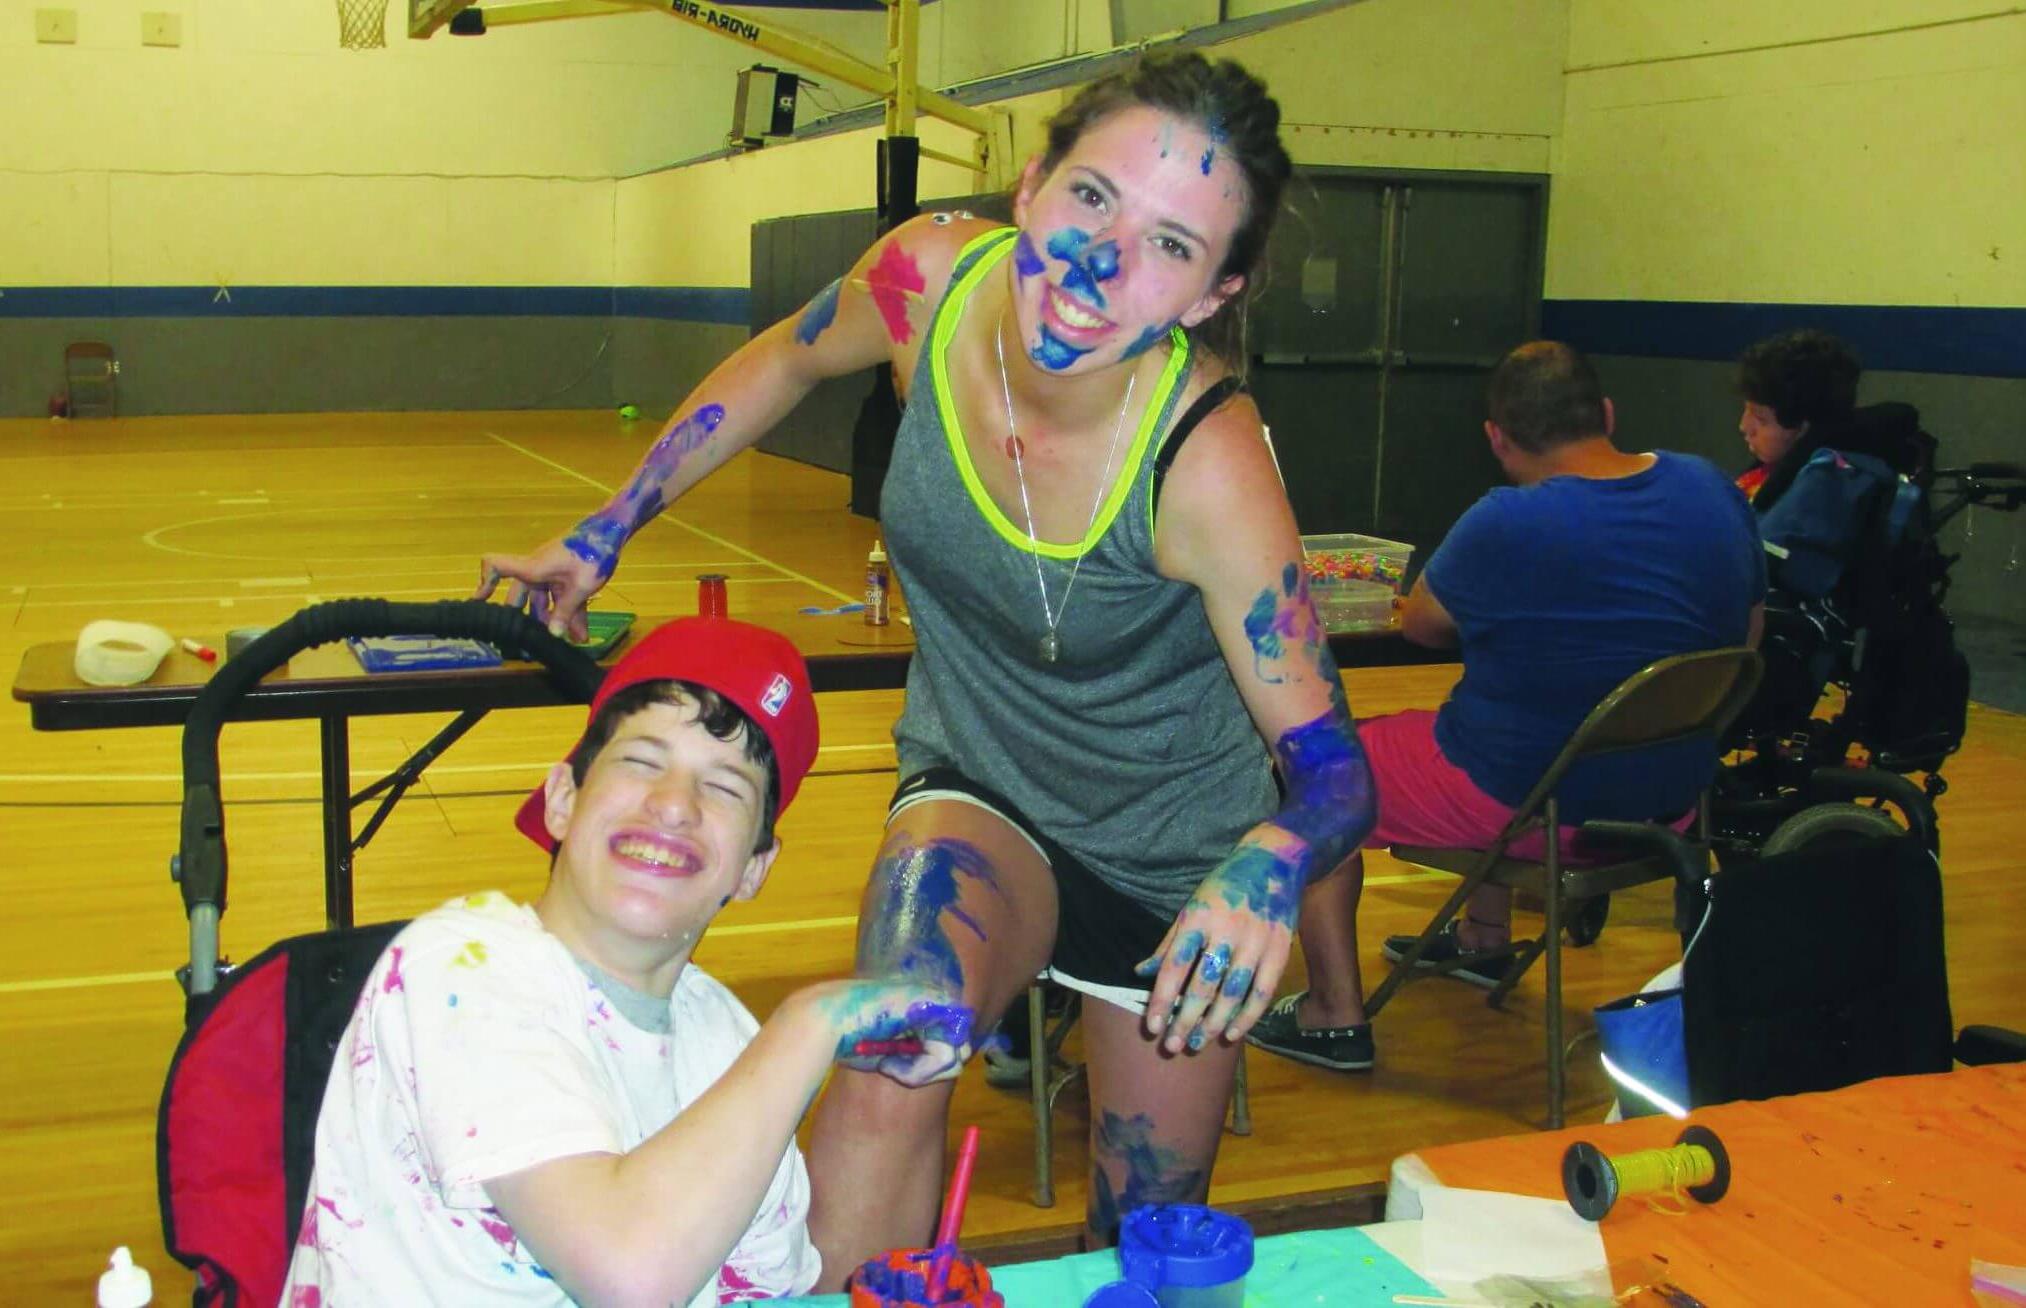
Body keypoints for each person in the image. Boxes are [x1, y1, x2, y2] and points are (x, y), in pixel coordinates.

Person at [478, 52, 1377, 1282]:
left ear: (1212, 293)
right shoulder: (926, 283)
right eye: (1093, 199)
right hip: (980, 787)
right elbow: (788, 358)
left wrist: (1268, 864)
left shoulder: (1205, 465)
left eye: (1171, 246)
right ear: (1030, 184)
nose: (1102, 264)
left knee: (1144, 1238)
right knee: (889, 1056)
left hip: (1175, 849)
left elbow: (1330, 768)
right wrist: (606, 526)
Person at [279, 617, 975, 1305]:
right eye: (642, 760)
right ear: (562, 799)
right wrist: (810, 1024)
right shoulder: (460, 969)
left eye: (726, 787)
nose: (674, 805)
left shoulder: (726, 1042)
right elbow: (628, 1276)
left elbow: (766, 1289)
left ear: (754, 868)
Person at [1245, 342, 1765, 1072]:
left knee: (1311, 772)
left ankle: (1333, 1014)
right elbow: (1747, 638)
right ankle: (1484, 942)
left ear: (1497, 438)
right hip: (1674, 801)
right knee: (1486, 716)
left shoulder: (1508, 520)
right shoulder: (1713, 489)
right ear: (1607, 415)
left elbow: (1422, 624)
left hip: (1536, 802)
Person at [1735, 328, 1862, 507]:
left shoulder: (1816, 499)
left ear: (1803, 430)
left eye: (1761, 419)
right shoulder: (1759, 475)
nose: (1744, 426)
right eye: (1746, 410)